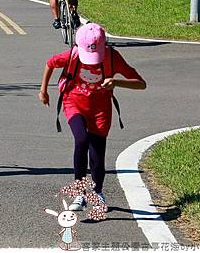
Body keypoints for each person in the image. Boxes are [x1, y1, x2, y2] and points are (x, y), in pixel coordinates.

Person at [38, 23, 146, 210]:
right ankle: (79, 193)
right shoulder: (72, 55)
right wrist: (43, 90)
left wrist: (117, 82)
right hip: (74, 103)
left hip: (100, 110)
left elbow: (141, 84)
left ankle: (97, 192)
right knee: (81, 140)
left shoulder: (112, 57)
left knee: (97, 153)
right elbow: (50, 63)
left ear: (104, 46)